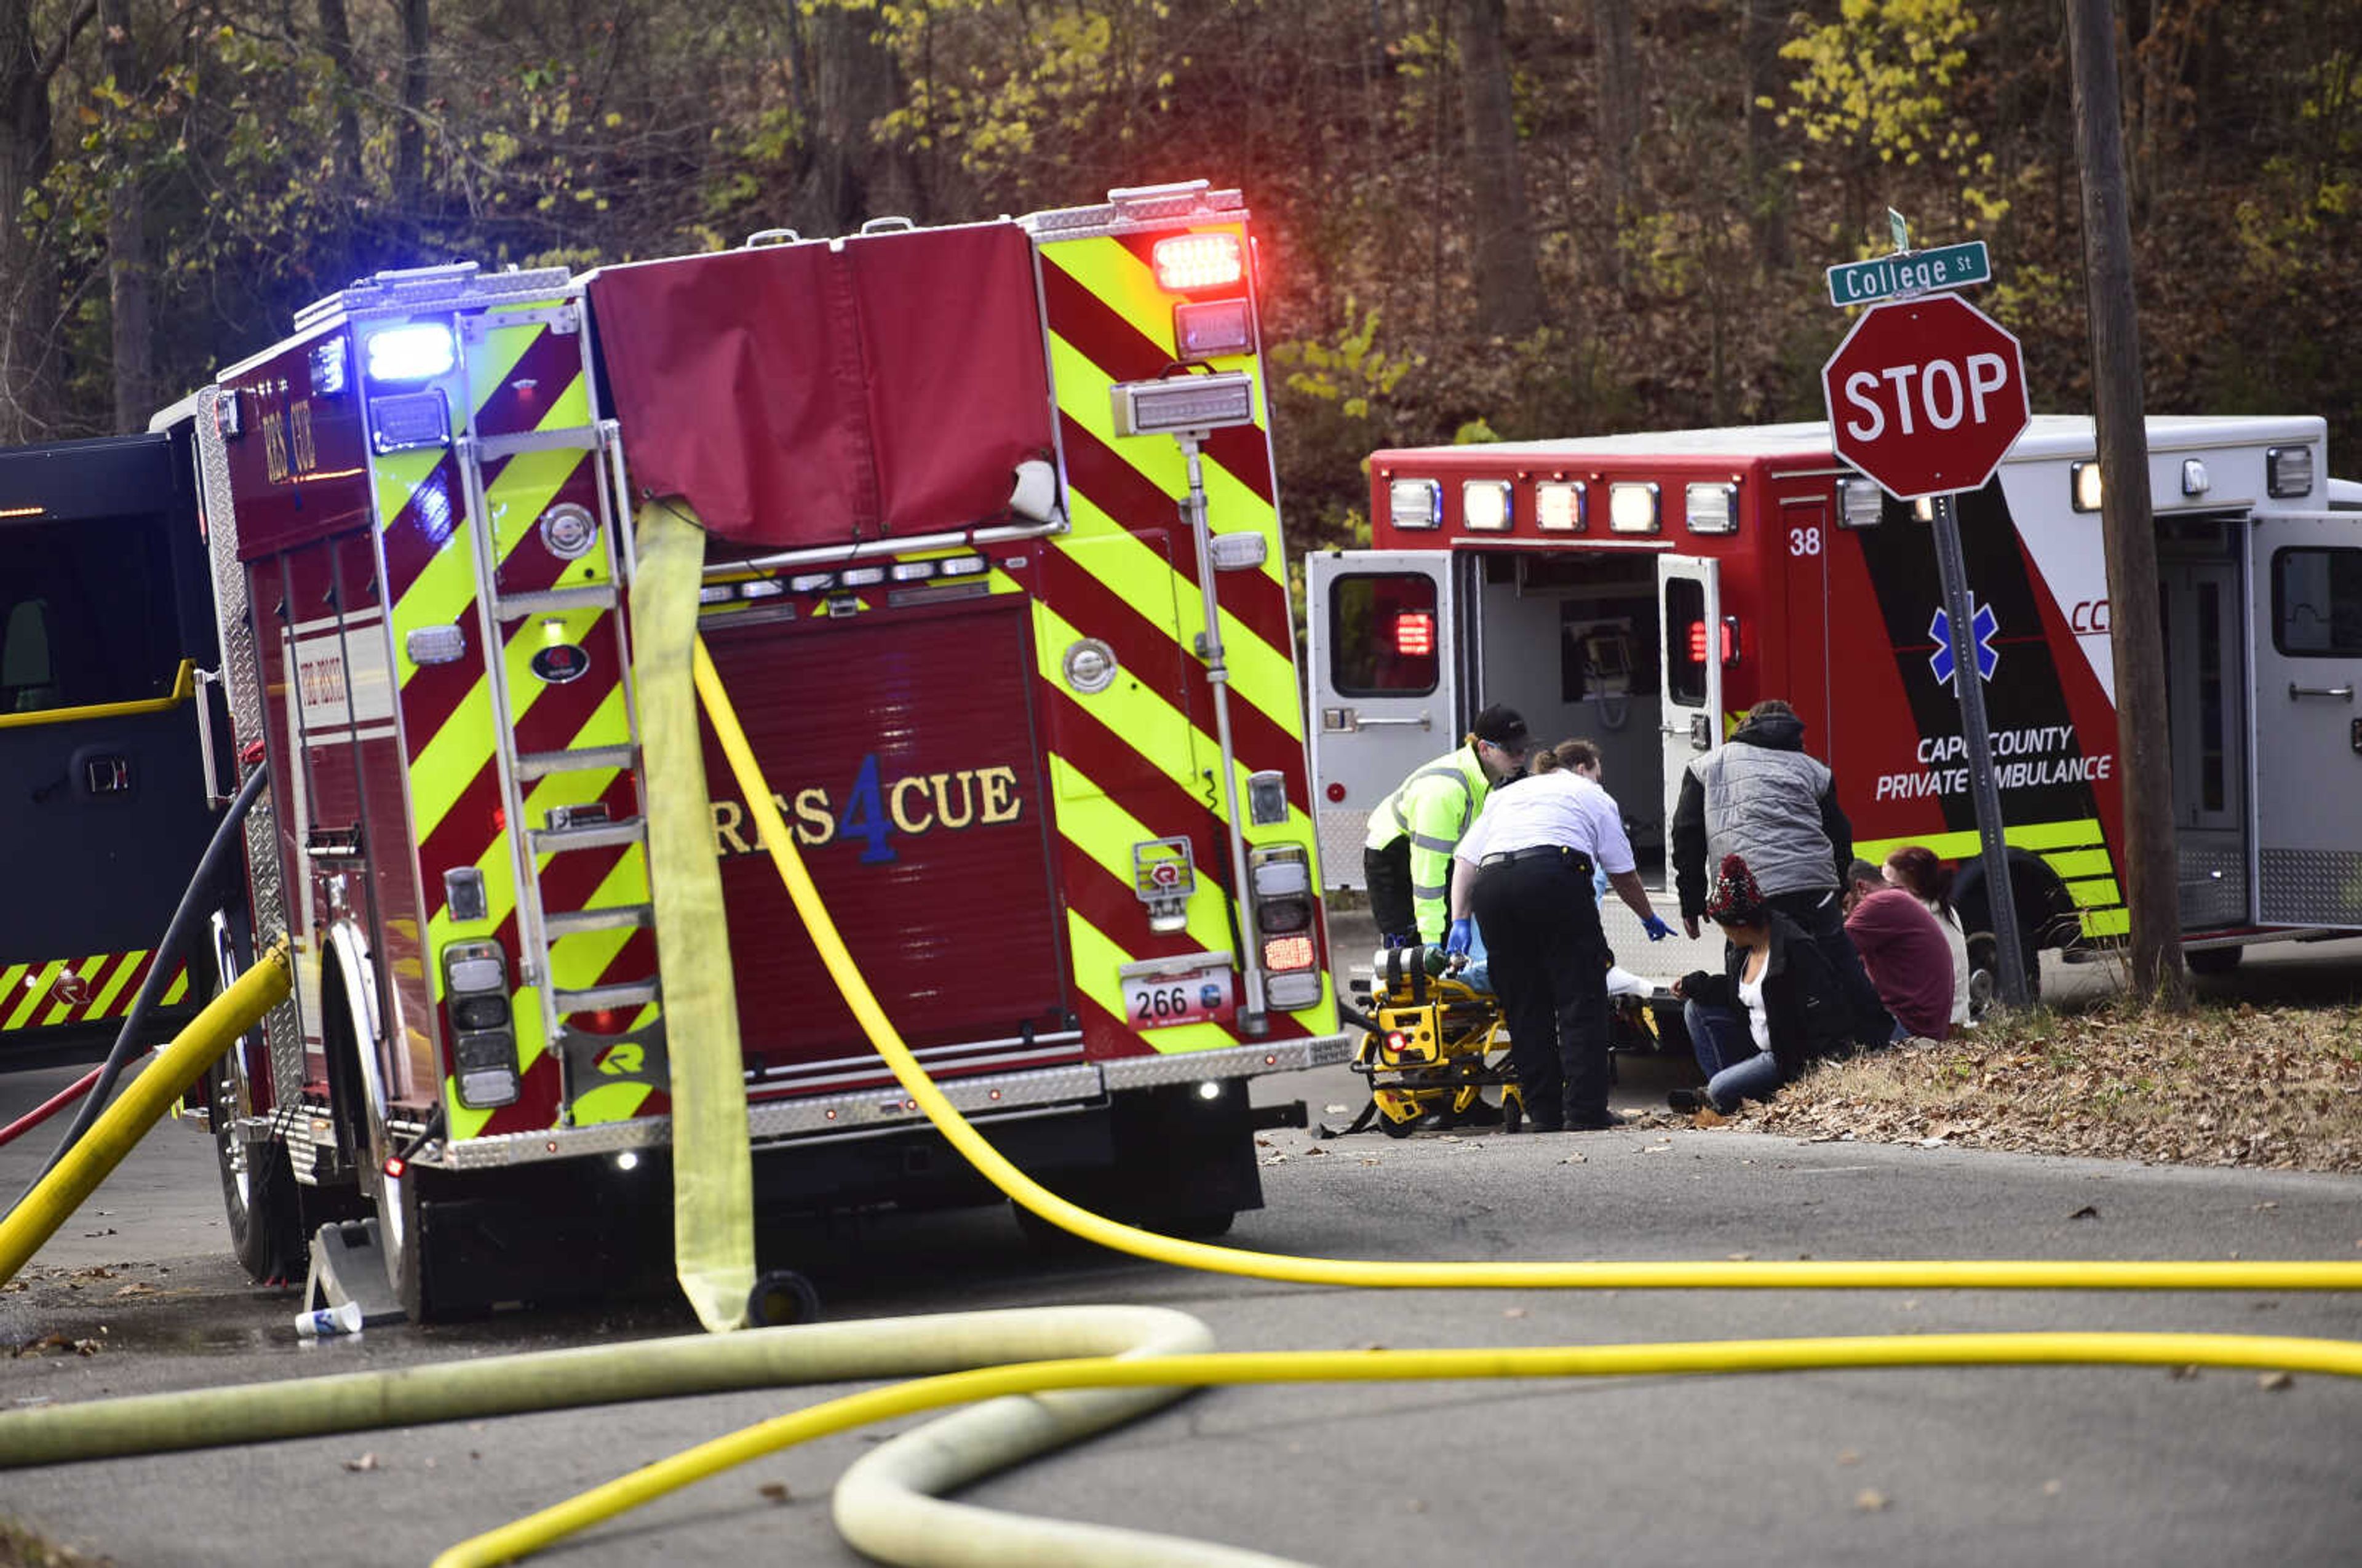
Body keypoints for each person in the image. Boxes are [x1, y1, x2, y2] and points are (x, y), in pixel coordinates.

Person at [1446, 747, 1674, 1132]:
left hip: (1495, 887)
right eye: (1598, 774)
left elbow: (1467, 862)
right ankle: (1585, 1112)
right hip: (1553, 879)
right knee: (1579, 999)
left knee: (1524, 1005)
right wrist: (1647, 916)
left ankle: (1545, 1113)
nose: (1600, 781)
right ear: (1583, 769)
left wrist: (1460, 921)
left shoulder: (1505, 795)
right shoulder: (1592, 796)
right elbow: (1623, 871)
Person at [1669, 697, 1893, 1045]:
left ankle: (1758, 1077)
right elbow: (1840, 833)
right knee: (1838, 971)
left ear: (1744, 728)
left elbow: (1687, 834)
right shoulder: (1814, 769)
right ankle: (1877, 1047)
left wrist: (1692, 902)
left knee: (1747, 986)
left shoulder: (1708, 766)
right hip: (1812, 890)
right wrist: (1839, 888)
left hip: (1752, 896)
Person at [1668, 853, 1861, 1114]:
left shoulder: (1795, 948)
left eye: (1724, 926)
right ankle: (1726, 1093)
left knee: (1720, 1089)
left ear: (1741, 924)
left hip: (1785, 1055)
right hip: (1756, 1043)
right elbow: (1736, 993)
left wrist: (1828, 1067)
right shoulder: (1741, 949)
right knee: (1696, 1009)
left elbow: (1825, 1010)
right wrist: (1696, 985)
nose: (1723, 932)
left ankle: (1720, 1096)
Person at [1363, 704, 1530, 948]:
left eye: (1525, 749)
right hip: (1394, 859)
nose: (1521, 757)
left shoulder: (1495, 778)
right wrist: (1430, 943)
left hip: (1441, 854)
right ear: (1485, 749)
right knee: (1413, 955)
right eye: (1513, 751)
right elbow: (1427, 876)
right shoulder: (1444, 792)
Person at [1842, 859, 1954, 1043]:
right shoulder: (1898, 898)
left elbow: (1831, 953)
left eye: (1846, 905)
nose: (1846, 915)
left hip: (1907, 1030)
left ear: (1861, 887)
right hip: (1923, 1026)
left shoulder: (1880, 902)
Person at [1882, 845, 1970, 1031]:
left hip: (1928, 1030)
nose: (1882, 891)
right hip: (1956, 1021)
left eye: (1889, 885)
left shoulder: (1905, 916)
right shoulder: (1946, 908)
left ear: (1912, 885)